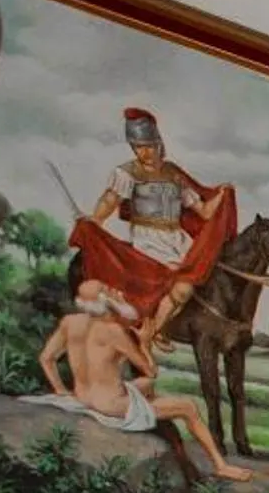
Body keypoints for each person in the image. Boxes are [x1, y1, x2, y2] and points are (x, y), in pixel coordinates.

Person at [34, 284, 253, 482]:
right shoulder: (113, 331)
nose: (115, 291)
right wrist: (145, 342)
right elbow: (151, 370)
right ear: (105, 301)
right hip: (112, 405)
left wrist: (61, 390)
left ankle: (152, 412)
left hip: (83, 397)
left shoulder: (70, 323)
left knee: (145, 385)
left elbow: (46, 358)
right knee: (189, 407)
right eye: (108, 290)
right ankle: (221, 466)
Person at [69, 107, 234, 343]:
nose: (143, 152)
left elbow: (204, 212)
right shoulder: (127, 173)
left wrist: (222, 194)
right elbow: (110, 199)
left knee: (201, 280)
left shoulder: (173, 173)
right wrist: (95, 221)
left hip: (178, 240)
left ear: (158, 143)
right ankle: (151, 333)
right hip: (149, 242)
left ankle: (159, 329)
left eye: (148, 146)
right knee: (183, 288)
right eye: (137, 147)